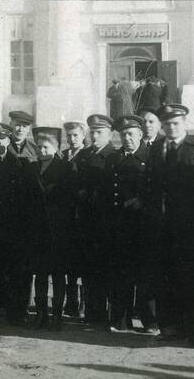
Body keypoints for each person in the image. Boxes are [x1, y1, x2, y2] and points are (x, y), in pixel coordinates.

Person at [148, 103, 194, 348]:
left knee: (190, 278)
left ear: (185, 123)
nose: (171, 127)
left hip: (192, 224)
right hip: (164, 223)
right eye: (166, 124)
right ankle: (171, 329)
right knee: (166, 276)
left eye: (175, 123)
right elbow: (151, 183)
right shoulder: (157, 148)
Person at [105, 116, 158, 335]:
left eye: (131, 134)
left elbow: (159, 188)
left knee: (145, 275)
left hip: (145, 225)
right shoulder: (114, 158)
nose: (127, 139)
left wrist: (142, 200)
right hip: (121, 225)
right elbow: (108, 189)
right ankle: (121, 319)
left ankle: (150, 321)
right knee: (122, 273)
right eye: (123, 134)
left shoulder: (152, 157)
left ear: (140, 134)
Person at [27, 127, 76, 331]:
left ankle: (57, 315)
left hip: (58, 229)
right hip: (38, 229)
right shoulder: (31, 168)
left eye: (45, 147)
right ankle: (41, 313)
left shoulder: (66, 168)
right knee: (39, 274)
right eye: (38, 147)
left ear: (55, 148)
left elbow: (71, 198)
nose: (41, 150)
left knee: (57, 274)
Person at [0, 121, 31, 327]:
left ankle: (16, 313)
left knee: (15, 270)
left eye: (2, 138)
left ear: (9, 140)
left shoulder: (20, 163)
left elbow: (26, 197)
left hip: (13, 226)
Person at [76, 113, 116, 325]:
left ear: (109, 134)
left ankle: (105, 313)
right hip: (86, 220)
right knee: (89, 267)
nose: (94, 136)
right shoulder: (84, 155)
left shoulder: (113, 156)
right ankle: (92, 311)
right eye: (92, 132)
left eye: (99, 132)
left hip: (105, 222)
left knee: (104, 268)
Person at [61, 121, 88, 318]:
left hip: (83, 216)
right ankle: (70, 303)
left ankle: (83, 305)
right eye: (69, 136)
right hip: (66, 217)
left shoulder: (87, 156)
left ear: (83, 136)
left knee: (82, 264)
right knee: (68, 263)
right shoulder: (62, 156)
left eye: (75, 136)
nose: (71, 139)